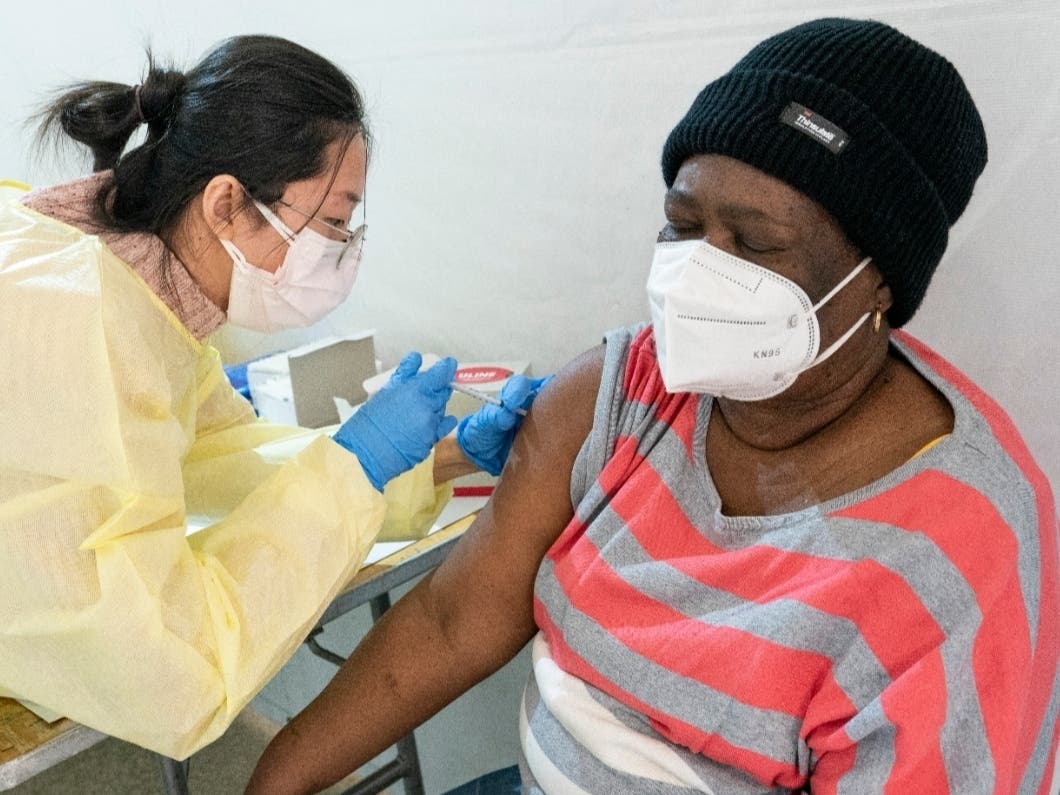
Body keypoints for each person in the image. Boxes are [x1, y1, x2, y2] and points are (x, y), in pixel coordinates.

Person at [244, 17, 1060, 795]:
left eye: (757, 243)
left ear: (878, 279)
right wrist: (276, 777)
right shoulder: (627, 389)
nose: (701, 272)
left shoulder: (961, 556)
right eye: (683, 224)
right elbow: (455, 620)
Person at [0, 35, 545, 761]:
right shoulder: (81, 324)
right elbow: (171, 673)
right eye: (332, 224)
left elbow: (225, 459)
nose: (343, 252)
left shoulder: (140, 293)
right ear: (226, 203)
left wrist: (432, 459)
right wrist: (355, 465)